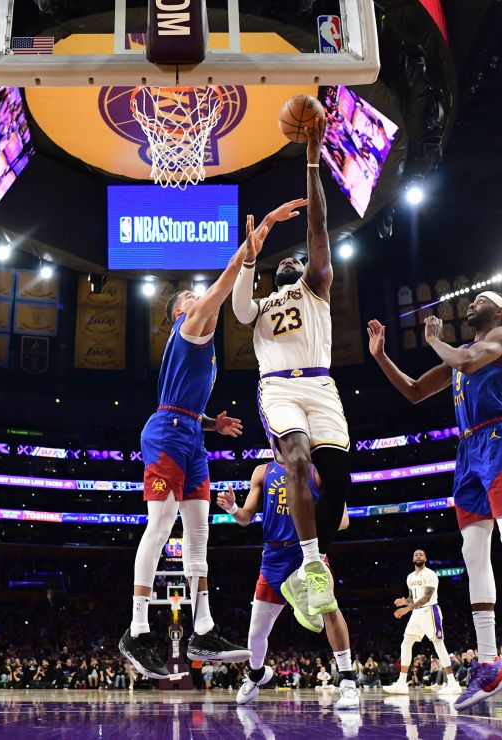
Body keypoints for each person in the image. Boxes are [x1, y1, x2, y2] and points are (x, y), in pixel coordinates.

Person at [366, 294, 502, 713]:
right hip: (467, 451)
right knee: (472, 553)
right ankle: (488, 663)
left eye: (480, 298)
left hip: (499, 438)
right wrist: (380, 356)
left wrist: (433, 342)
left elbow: (465, 364)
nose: (471, 303)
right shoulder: (460, 352)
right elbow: (413, 392)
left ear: (498, 311)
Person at [119, 202, 303, 679]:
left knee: (199, 534)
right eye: (187, 295)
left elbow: (181, 402)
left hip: (189, 435)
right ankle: (137, 632)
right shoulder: (192, 325)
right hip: (164, 434)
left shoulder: (202, 342)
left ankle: (203, 628)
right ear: (179, 311)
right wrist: (255, 239)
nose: (194, 296)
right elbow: (222, 286)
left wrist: (210, 425)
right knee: (159, 528)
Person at [231, 112, 356, 630]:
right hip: (279, 389)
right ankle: (309, 563)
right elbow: (236, 311)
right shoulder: (259, 304)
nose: (291, 263)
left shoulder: (316, 285)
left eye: (295, 260)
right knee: (298, 460)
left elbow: (318, 225)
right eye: (278, 264)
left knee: (339, 481)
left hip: (321, 385)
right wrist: (246, 259)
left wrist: (311, 156)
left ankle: (312, 563)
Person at [217, 461, 358, 711]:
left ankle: (348, 681)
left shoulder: (320, 468)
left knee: (329, 607)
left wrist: (308, 524)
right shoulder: (263, 471)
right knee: (256, 633)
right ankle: (257, 675)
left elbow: (343, 520)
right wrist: (232, 508)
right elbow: (245, 518)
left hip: (308, 552)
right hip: (273, 557)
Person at [382, 549, 459, 695]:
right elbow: (413, 598)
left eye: (421, 554)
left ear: (425, 558)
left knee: (438, 643)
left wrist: (406, 609)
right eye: (416, 554)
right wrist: (405, 602)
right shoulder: (410, 577)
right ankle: (402, 683)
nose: (418, 556)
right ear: (413, 559)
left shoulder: (430, 574)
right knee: (406, 644)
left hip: (429, 610)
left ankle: (453, 682)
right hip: (416, 613)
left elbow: (426, 598)